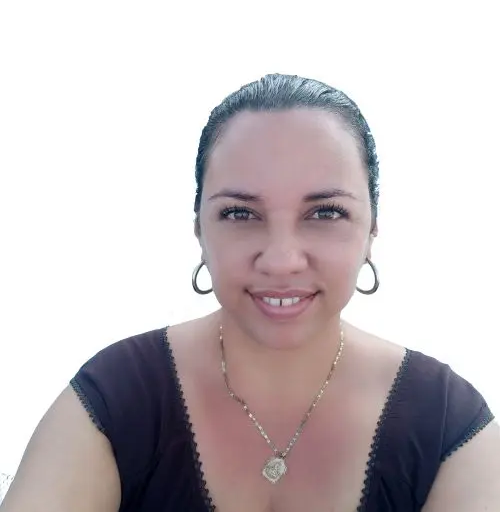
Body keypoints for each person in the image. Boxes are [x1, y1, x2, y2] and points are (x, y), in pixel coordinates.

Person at [2, 74, 499, 512]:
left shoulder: (448, 427)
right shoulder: (117, 399)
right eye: (240, 213)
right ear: (199, 229)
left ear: (371, 229)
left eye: (325, 212)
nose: (281, 260)